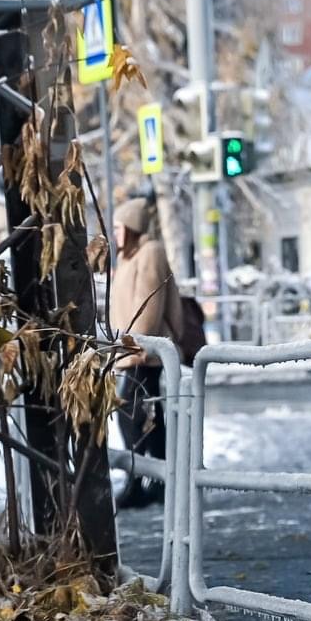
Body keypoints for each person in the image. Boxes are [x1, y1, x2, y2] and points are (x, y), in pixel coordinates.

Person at [107, 198, 182, 509]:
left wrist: (138, 345)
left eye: (118, 227)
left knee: (134, 415)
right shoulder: (130, 257)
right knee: (146, 416)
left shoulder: (150, 253)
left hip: (143, 351)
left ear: (132, 227)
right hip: (133, 349)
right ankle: (154, 481)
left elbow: (149, 303)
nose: (114, 234)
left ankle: (145, 479)